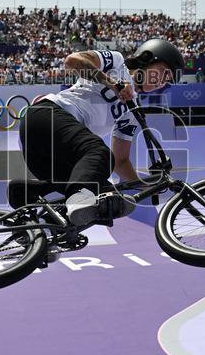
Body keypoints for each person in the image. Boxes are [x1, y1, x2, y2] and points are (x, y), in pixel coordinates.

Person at [16, 38, 184, 226]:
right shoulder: (117, 62)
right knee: (99, 152)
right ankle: (77, 197)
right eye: (164, 72)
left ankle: (35, 213)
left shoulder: (133, 111)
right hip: (46, 116)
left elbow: (120, 161)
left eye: (167, 80)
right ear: (148, 58)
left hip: (49, 155)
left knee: (105, 200)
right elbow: (72, 61)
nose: (161, 82)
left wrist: (146, 186)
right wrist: (113, 83)